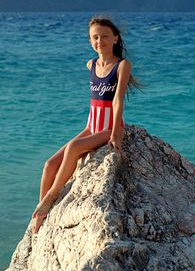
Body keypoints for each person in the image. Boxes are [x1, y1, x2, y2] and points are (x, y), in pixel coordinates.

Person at [32, 16, 139, 233]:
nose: (100, 41)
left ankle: (53, 194)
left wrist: (117, 133)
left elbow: (117, 99)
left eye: (105, 36)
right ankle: (41, 215)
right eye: (95, 37)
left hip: (109, 127)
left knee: (72, 148)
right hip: (90, 127)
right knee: (49, 164)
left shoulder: (122, 65)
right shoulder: (91, 64)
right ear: (91, 40)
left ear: (116, 38)